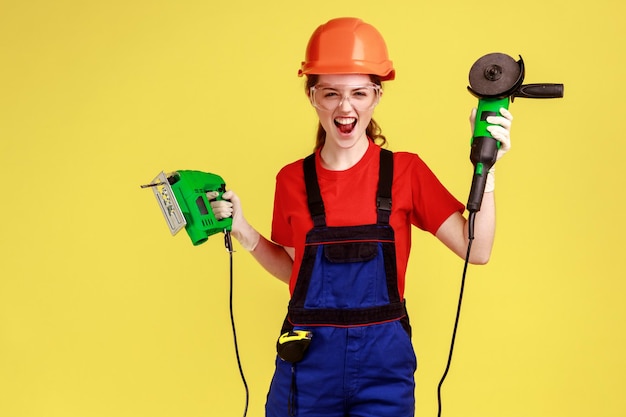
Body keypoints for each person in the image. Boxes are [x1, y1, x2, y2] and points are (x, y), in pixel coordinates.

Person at [210, 17, 512, 417]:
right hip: (307, 366)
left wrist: (485, 170)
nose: (345, 107)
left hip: (383, 371)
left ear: (377, 95)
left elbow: (478, 249)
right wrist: (244, 232)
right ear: (312, 96)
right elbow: (294, 270)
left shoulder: (405, 173)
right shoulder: (291, 180)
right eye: (331, 93)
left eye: (358, 93)